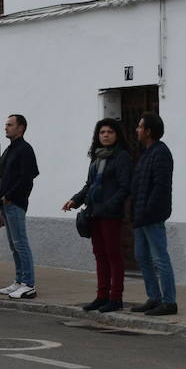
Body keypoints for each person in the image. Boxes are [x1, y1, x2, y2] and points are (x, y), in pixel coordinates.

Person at [63, 118, 133, 312]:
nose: (106, 135)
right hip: (94, 212)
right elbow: (89, 185)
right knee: (100, 255)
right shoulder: (96, 157)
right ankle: (101, 295)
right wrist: (75, 200)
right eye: (102, 132)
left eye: (110, 132)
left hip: (110, 215)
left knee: (113, 255)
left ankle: (115, 297)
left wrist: (108, 206)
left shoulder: (122, 157)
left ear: (117, 135)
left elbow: (124, 188)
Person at [129, 113, 176, 315]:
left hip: (152, 216)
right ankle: (154, 297)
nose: (137, 130)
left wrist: (148, 211)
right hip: (140, 216)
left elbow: (161, 187)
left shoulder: (161, 152)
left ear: (149, 131)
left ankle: (169, 302)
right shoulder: (147, 152)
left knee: (160, 258)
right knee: (142, 257)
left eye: (140, 127)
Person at [0, 113, 40, 299]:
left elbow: (27, 178)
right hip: (6, 205)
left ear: (21, 128)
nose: (6, 127)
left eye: (10, 125)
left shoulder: (25, 149)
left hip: (16, 203)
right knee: (13, 246)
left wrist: (10, 197)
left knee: (21, 244)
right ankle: (19, 280)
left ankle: (29, 284)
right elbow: (2, 178)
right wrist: (0, 207)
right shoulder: (9, 149)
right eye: (6, 124)